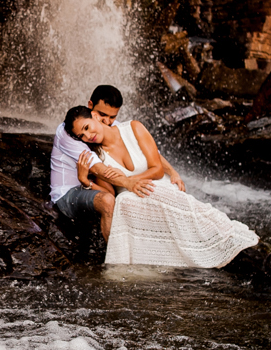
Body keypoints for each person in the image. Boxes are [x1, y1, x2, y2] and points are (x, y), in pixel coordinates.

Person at [64, 105, 259, 268]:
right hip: (132, 201)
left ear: (96, 116)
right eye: (82, 135)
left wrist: (134, 181)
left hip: (157, 185)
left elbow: (157, 169)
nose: (88, 135)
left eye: (87, 127)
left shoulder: (133, 128)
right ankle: (141, 262)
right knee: (124, 200)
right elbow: (110, 194)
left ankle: (211, 236)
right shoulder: (96, 156)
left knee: (152, 194)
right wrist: (85, 181)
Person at [49, 85, 184, 240]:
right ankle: (115, 257)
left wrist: (173, 172)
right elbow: (98, 168)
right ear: (92, 110)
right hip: (69, 192)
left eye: (112, 117)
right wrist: (128, 183)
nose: (107, 121)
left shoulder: (112, 127)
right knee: (110, 201)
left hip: (99, 186)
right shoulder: (69, 131)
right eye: (102, 114)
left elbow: (151, 153)